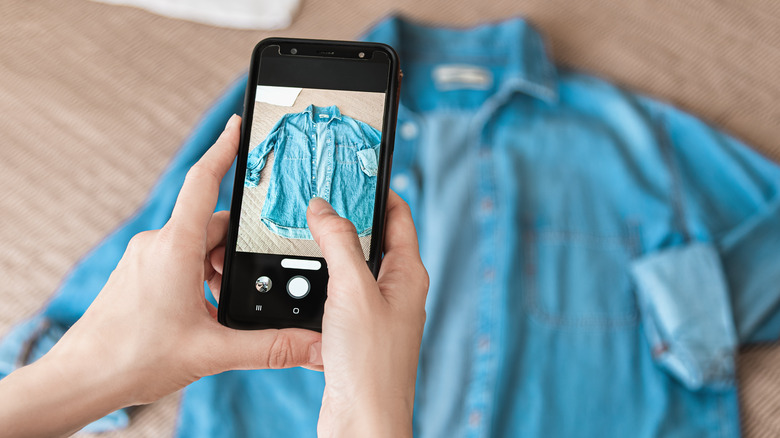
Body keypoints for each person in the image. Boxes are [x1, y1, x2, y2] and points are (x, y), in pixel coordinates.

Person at [0, 115, 429, 438]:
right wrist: (374, 413)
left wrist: (74, 377)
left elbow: (371, 153)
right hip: (281, 221)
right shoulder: (290, 119)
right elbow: (249, 156)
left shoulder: (355, 126)